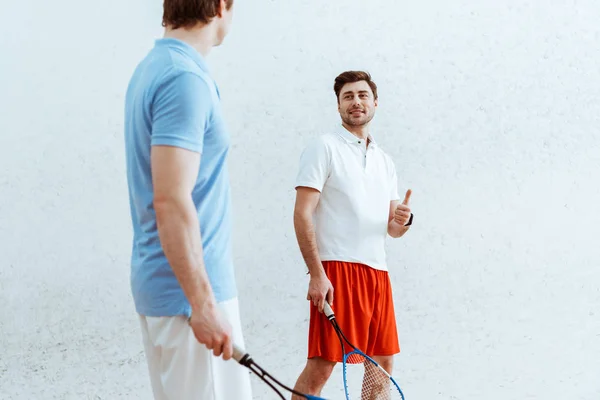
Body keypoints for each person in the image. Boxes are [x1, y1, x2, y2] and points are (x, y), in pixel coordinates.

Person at [123, 1, 252, 399]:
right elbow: (172, 200)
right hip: (189, 300)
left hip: (176, 293)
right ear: (218, 7)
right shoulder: (183, 79)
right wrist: (203, 305)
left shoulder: (157, 67)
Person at [291, 70, 413, 398]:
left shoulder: (384, 161)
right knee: (323, 365)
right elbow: (302, 213)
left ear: (375, 103)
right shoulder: (323, 147)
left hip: (377, 273)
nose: (356, 101)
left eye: (362, 95)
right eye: (348, 96)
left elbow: (392, 228)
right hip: (337, 271)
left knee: (382, 362)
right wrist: (317, 274)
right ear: (339, 106)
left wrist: (403, 220)